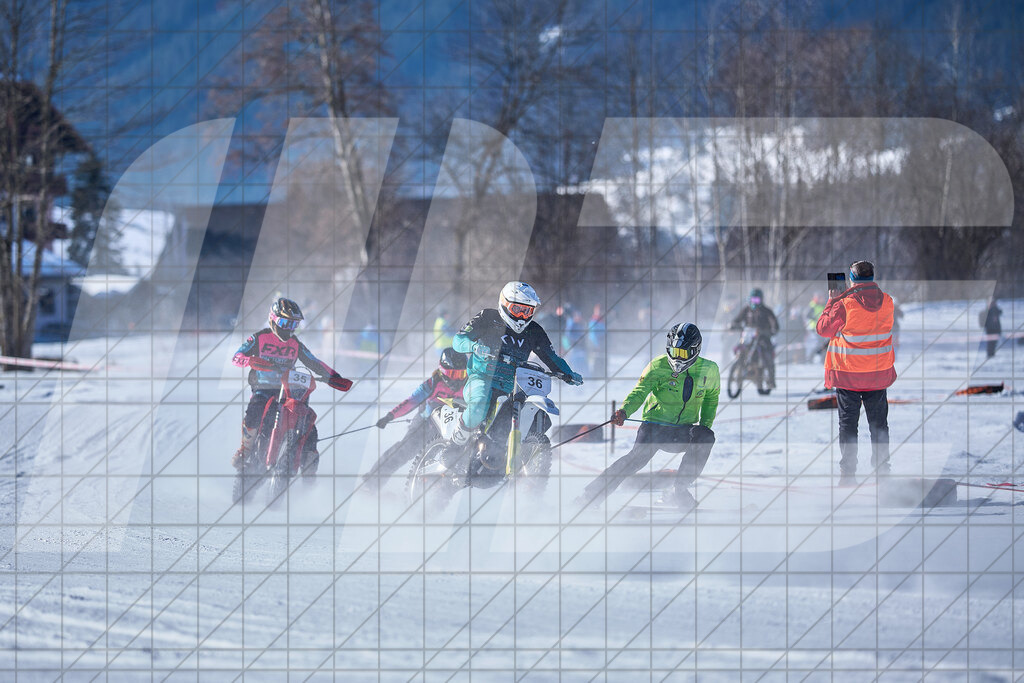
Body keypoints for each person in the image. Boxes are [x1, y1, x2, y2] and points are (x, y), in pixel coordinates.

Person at [439, 281, 583, 473]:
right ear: (504, 304)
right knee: (480, 404)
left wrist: (568, 373)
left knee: (530, 414)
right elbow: (458, 340)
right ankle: (453, 447)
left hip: (513, 385)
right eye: (517, 309)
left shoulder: (534, 331)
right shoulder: (487, 317)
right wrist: (474, 347)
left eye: (527, 311)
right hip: (482, 378)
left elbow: (551, 357)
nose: (522, 317)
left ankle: (509, 457)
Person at [580, 323, 719, 511]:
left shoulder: (709, 370)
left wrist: (704, 427)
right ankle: (590, 497)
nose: (677, 357)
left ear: (695, 350)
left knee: (705, 437)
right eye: (674, 351)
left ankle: (679, 490)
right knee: (634, 460)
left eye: (683, 353)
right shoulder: (657, 365)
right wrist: (624, 411)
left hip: (682, 431)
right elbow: (639, 392)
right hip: (654, 428)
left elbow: (711, 399)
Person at [231, 297, 352, 480]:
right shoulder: (259, 338)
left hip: (289, 388)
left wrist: (333, 377)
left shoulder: (296, 344)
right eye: (285, 322)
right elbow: (237, 356)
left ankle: (309, 456)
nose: (288, 329)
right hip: (264, 387)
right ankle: (245, 450)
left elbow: (314, 362)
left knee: (306, 415)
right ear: (273, 319)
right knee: (255, 411)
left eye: (293, 324)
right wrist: (249, 360)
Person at [816, 261, 896, 486]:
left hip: (848, 375)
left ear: (852, 278)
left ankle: (848, 475)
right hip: (878, 375)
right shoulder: (888, 301)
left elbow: (823, 329)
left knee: (848, 425)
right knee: (879, 425)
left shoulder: (844, 304)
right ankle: (883, 473)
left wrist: (833, 300)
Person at [361, 348, 468, 491]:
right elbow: (411, 401)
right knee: (404, 451)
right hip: (425, 425)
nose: (458, 379)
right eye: (454, 374)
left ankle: (423, 495)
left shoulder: (468, 386)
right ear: (443, 370)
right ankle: (372, 483)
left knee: (441, 462)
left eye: (462, 374)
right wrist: (390, 416)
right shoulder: (433, 384)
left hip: (449, 430)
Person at [730, 288, 780, 387]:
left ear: (761, 300)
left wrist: (772, 330)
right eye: (753, 300)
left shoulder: (767, 311)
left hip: (763, 338)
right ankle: (738, 370)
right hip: (748, 337)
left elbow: (775, 324)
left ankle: (771, 380)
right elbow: (736, 320)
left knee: (768, 357)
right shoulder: (746, 310)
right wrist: (734, 325)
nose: (754, 302)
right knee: (739, 349)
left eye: (757, 300)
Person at [587, 304, 607, 378]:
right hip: (595, 345)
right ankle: (595, 376)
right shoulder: (593, 320)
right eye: (598, 311)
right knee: (595, 361)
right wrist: (596, 344)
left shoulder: (602, 320)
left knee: (602, 361)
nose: (600, 312)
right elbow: (593, 334)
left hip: (602, 344)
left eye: (601, 311)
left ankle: (602, 375)